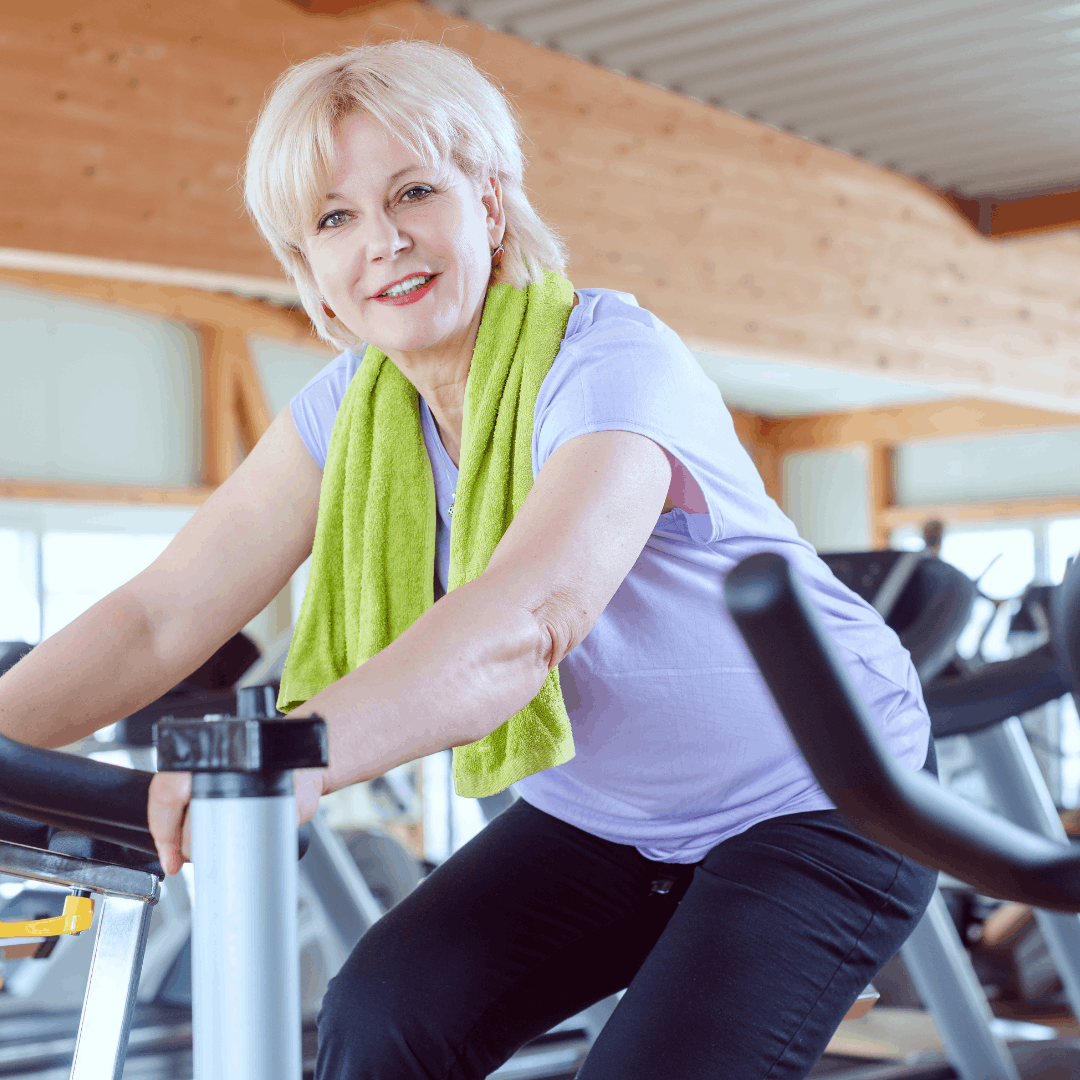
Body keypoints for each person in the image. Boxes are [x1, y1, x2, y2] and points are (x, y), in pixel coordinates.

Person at [0, 40, 938, 1080]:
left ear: (488, 205)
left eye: (414, 192)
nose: (384, 241)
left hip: (823, 795)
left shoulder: (609, 360)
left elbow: (529, 618)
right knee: (380, 1019)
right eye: (334, 218)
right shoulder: (346, 416)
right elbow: (160, 617)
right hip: (609, 821)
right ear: (307, 266)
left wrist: (291, 755)